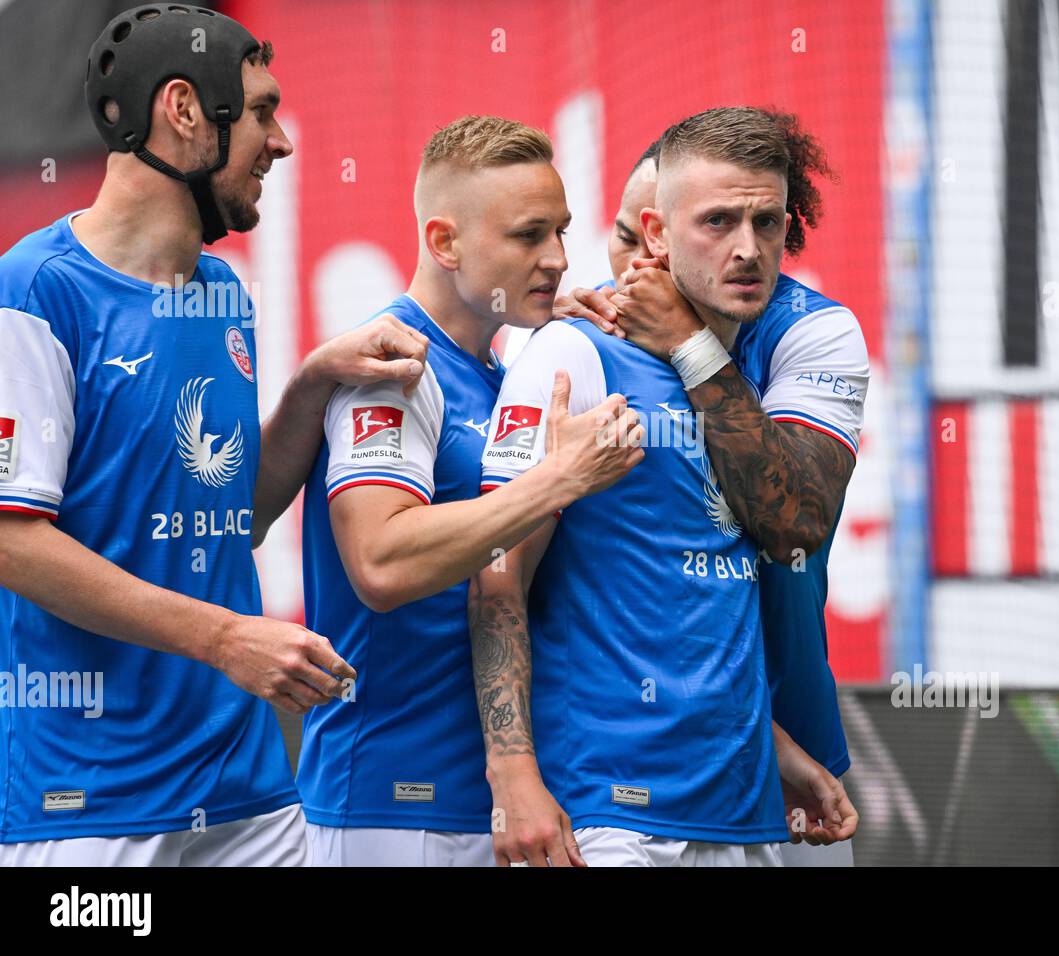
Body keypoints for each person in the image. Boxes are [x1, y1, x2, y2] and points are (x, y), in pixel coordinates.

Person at [0, 4, 424, 865]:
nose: (282, 141)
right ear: (185, 110)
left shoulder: (222, 291)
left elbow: (236, 515)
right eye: (262, 112)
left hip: (247, 790)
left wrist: (312, 385)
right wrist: (228, 639)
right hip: (89, 804)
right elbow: (12, 544)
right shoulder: (35, 290)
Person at [471, 107, 858, 867]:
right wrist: (512, 774)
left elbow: (787, 533)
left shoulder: (809, 334)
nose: (748, 249)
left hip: (749, 798)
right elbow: (497, 578)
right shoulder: (571, 350)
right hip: (613, 813)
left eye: (768, 223)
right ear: (655, 235)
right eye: (718, 221)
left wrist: (776, 749)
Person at [296, 115, 643, 866]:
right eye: (528, 237)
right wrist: (558, 479)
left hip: (486, 802)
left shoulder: (500, 368)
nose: (556, 259)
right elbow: (381, 565)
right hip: (392, 803)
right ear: (444, 243)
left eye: (561, 232)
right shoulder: (389, 362)